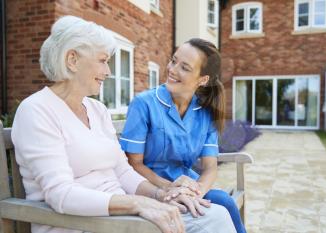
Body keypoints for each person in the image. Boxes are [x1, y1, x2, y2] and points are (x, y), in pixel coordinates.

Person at [11, 16, 236, 233]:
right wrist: (138, 204)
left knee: (216, 214)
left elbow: (123, 171)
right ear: (72, 60)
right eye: (103, 61)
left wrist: (162, 195)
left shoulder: (97, 110)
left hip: (122, 215)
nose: (108, 72)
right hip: (82, 223)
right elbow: (61, 194)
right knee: (213, 221)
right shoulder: (37, 110)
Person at [120, 38, 247, 233]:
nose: (172, 69)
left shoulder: (205, 112)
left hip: (186, 187)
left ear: (202, 80)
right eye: (173, 60)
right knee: (220, 206)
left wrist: (195, 193)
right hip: (149, 188)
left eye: (185, 68)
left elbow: (210, 168)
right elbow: (133, 163)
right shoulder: (143, 104)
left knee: (224, 201)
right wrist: (171, 189)